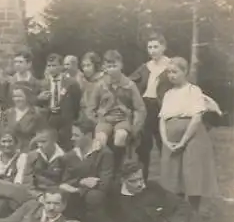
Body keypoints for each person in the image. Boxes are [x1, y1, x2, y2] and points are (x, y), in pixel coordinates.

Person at [158, 57, 221, 212]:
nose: (171, 75)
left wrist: (183, 141)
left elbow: (197, 118)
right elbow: (162, 120)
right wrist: (165, 141)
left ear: (184, 72)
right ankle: (176, 213)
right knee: (173, 175)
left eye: (175, 72)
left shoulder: (193, 91)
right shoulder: (168, 94)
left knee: (193, 173)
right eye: (169, 72)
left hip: (192, 136)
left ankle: (193, 212)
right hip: (171, 139)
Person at [85, 50, 146, 170]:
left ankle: (117, 168)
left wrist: (135, 127)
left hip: (122, 119)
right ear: (104, 67)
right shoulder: (100, 85)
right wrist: (97, 120)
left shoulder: (129, 85)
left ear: (121, 65)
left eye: (115, 66)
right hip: (104, 120)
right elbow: (90, 108)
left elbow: (140, 108)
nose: (112, 69)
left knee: (120, 137)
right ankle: (103, 170)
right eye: (109, 66)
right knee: (100, 139)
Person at [59, 121, 114, 222]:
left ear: (88, 135)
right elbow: (65, 179)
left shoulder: (104, 153)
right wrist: (82, 182)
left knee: (93, 197)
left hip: (97, 192)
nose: (72, 138)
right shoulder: (71, 155)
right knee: (61, 195)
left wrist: (80, 187)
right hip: (78, 189)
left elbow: (104, 182)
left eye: (76, 135)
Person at [129, 32, 174, 182]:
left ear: (164, 47)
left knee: (165, 144)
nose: (153, 50)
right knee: (143, 145)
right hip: (146, 107)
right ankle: (143, 181)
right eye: (150, 47)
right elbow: (129, 83)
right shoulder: (144, 67)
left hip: (164, 108)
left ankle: (171, 183)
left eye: (156, 46)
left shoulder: (171, 66)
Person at [37, 53, 82, 151]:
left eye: (54, 65)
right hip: (49, 120)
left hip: (66, 121)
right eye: (49, 66)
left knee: (65, 147)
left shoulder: (71, 83)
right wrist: (40, 99)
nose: (51, 68)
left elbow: (77, 103)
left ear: (61, 66)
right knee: (49, 146)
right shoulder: (43, 84)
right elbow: (37, 105)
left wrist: (72, 118)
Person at [2, 82, 47, 152]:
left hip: (29, 152)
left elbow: (42, 137)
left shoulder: (37, 113)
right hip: (11, 152)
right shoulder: (7, 113)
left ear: (27, 96)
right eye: (14, 96)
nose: (17, 99)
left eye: (20, 96)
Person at [23, 128, 67, 200]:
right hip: (36, 195)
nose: (40, 145)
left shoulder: (64, 158)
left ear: (54, 140)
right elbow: (27, 183)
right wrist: (38, 196)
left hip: (55, 197)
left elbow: (65, 183)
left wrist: (51, 197)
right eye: (38, 142)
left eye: (43, 141)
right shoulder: (32, 156)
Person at [79, 51, 105, 122]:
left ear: (96, 65)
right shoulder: (84, 82)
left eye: (88, 65)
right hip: (87, 119)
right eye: (83, 66)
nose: (85, 69)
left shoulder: (104, 81)